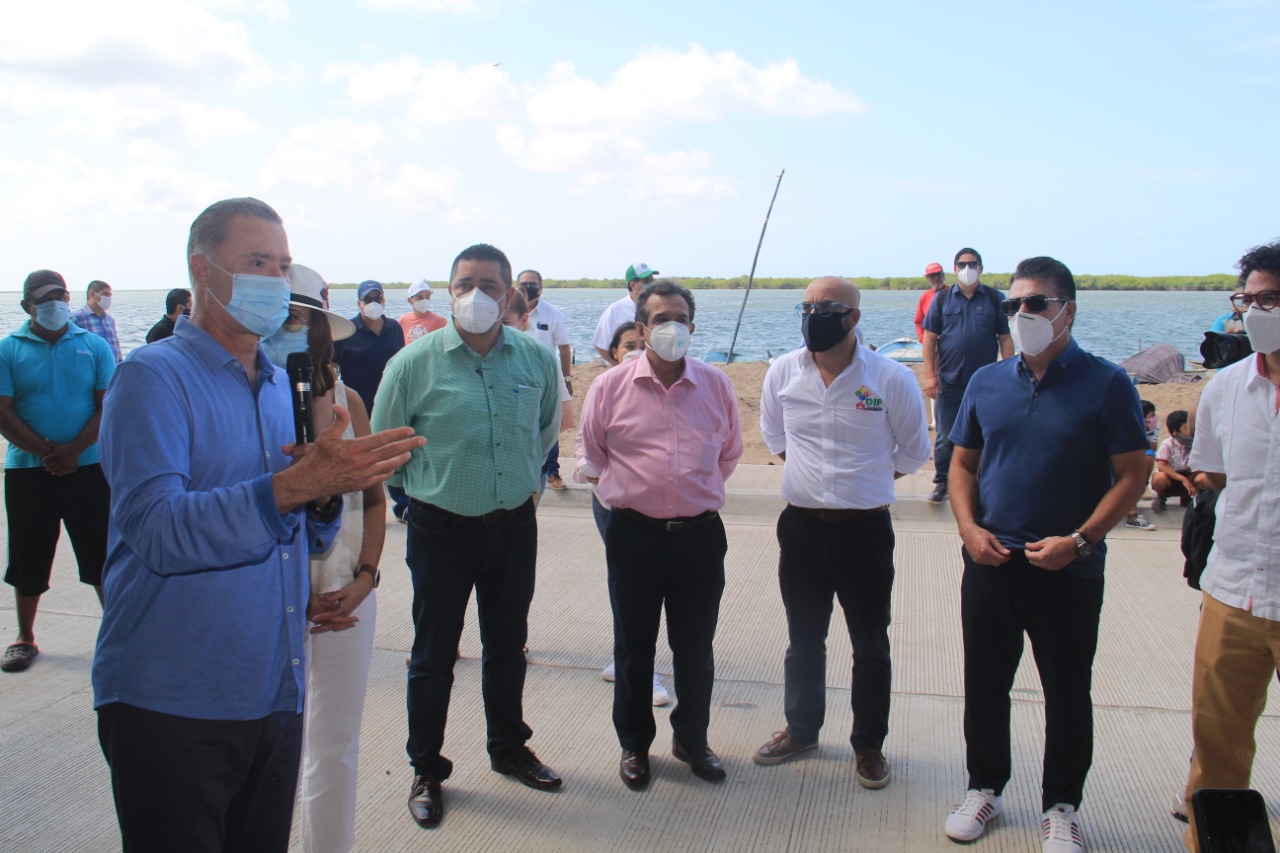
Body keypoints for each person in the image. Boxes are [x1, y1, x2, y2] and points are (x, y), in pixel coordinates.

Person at [91, 197, 424, 853]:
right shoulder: (151, 378)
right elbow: (156, 529)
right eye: (257, 262)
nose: (274, 279)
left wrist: (327, 497)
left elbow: (294, 529)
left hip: (273, 689)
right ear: (203, 270)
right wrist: (298, 485)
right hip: (175, 698)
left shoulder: (280, 390)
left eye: (282, 264)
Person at [941, 256, 1148, 852]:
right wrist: (968, 528)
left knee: (1067, 690)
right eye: (1014, 304)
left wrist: (1080, 540)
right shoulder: (986, 382)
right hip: (991, 561)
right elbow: (963, 464)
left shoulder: (1107, 383)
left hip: (1068, 566)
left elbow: (1133, 474)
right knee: (985, 682)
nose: (1023, 313)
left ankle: (1062, 806)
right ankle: (984, 787)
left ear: (1068, 311)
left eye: (1037, 303)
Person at [371, 243, 563, 830]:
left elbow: (546, 430)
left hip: (514, 525)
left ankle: (509, 747)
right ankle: (426, 768)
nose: (475, 295)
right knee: (433, 655)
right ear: (450, 290)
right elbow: (387, 447)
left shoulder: (535, 359)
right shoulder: (412, 363)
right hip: (441, 529)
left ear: (508, 296)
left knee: (507, 646)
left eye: (488, 285)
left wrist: (520, 483)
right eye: (463, 284)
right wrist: (424, 492)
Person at [752, 277, 929, 791]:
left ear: (853, 317)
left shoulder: (891, 378)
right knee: (804, 638)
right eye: (806, 307)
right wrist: (812, 478)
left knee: (870, 642)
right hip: (802, 528)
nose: (814, 316)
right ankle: (801, 730)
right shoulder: (783, 371)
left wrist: (864, 482)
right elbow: (774, 434)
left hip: (864, 530)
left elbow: (914, 451)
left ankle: (869, 744)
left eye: (826, 307)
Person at [576, 280, 743, 790]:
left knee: (696, 646)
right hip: (634, 536)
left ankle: (692, 739)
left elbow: (729, 455)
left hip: (699, 537)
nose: (672, 328)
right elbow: (592, 455)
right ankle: (634, 745)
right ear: (642, 328)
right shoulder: (610, 387)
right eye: (660, 319)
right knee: (634, 646)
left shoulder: (716, 385)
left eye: (681, 319)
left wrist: (689, 494)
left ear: (693, 326)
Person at [262, 264, 381, 853]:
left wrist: (365, 578)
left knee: (335, 744)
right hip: (266, 599)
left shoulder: (348, 402)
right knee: (267, 747)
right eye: (279, 318)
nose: (290, 330)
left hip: (343, 592)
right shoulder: (245, 406)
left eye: (301, 320)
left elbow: (375, 501)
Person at [1179, 239, 1280, 853]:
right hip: (1233, 590)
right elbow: (1212, 476)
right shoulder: (1226, 389)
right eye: (1250, 300)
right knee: (1217, 744)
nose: (1258, 312)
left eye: (1272, 299)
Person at [0, 270, 115, 673]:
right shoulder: (8, 349)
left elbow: (107, 405)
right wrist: (48, 454)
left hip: (89, 467)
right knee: (28, 554)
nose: (56, 303)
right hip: (28, 472)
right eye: (45, 298)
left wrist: (74, 451)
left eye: (62, 295)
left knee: (101, 554)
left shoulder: (94, 345)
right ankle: (24, 637)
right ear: (26, 305)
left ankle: (117, 635)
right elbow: (3, 412)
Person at [590, 321, 670, 707]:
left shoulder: (664, 389)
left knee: (649, 587)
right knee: (629, 587)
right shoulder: (605, 389)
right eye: (628, 345)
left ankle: (629, 662)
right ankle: (638, 670)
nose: (636, 350)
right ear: (614, 353)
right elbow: (589, 450)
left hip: (661, 508)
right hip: (615, 506)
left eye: (642, 343)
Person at [921, 248, 1013, 505]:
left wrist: (1008, 374)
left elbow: (1005, 338)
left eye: (972, 264)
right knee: (945, 437)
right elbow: (929, 339)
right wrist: (930, 376)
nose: (967, 269)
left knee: (985, 435)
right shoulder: (941, 299)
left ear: (981, 268)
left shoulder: (995, 298)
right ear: (955, 269)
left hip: (986, 383)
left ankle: (983, 483)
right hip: (949, 381)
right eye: (962, 264)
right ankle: (942, 482)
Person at [333, 279, 408, 520]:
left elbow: (402, 362)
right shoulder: (346, 331)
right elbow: (332, 367)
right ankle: (364, 508)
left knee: (394, 455)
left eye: (377, 298)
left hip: (392, 402)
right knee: (364, 460)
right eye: (368, 299)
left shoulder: (394, 328)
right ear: (359, 303)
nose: (373, 302)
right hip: (359, 407)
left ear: (384, 300)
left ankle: (402, 505)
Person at [518, 269, 574, 490]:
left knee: (551, 423)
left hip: (547, 376)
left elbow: (564, 347)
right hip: (517, 377)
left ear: (540, 288)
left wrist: (567, 377)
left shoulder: (552, 313)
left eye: (532, 284)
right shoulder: (509, 311)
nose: (528, 287)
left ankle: (552, 472)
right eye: (524, 284)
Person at [591, 262, 658, 363]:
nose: (651, 285)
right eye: (647, 281)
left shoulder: (657, 309)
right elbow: (599, 343)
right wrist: (617, 366)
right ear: (633, 285)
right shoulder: (615, 310)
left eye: (653, 281)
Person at [1124, 400, 1159, 530]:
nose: (1153, 419)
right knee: (1130, 476)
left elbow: (1152, 448)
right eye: (1151, 416)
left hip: (1136, 461)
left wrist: (1146, 429)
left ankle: (1141, 486)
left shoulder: (1153, 427)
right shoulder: (1125, 425)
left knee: (1148, 457)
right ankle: (1132, 517)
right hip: (1121, 462)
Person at [1151, 410, 1196, 510]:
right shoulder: (1168, 444)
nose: (1191, 431)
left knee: (1204, 478)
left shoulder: (1196, 444)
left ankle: (1186, 497)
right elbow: (1161, 467)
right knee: (1159, 477)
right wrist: (1182, 479)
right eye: (1186, 428)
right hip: (1171, 478)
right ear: (1175, 433)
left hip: (1188, 476)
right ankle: (1161, 497)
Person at [71, 279, 123, 363]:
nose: (108, 298)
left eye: (110, 295)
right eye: (105, 294)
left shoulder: (110, 320)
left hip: (114, 368)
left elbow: (116, 347)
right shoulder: (76, 318)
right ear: (92, 294)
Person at [914, 262, 947, 342]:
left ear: (943, 275)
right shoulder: (925, 297)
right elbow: (918, 322)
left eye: (938, 274)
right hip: (930, 342)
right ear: (927, 278)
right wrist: (922, 339)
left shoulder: (953, 293)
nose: (936, 278)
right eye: (932, 276)